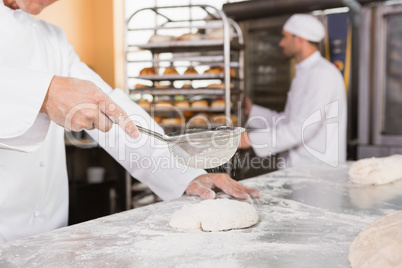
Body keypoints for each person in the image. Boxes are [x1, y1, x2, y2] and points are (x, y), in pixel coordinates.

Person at [0, 0, 260, 244]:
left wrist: (184, 174)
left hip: (48, 231)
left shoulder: (52, 38)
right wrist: (43, 93)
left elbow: (112, 110)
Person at [239, 14, 347, 168]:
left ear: (300, 39)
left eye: (285, 37)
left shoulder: (322, 74)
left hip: (317, 172)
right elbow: (290, 122)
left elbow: (301, 129)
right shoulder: (305, 73)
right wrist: (252, 111)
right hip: (302, 169)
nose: (281, 43)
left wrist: (248, 139)